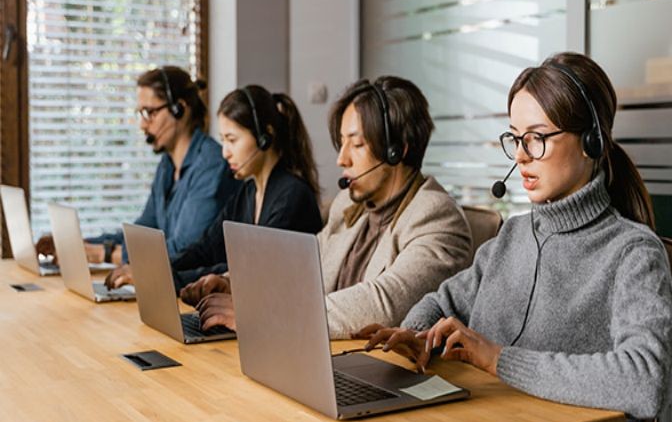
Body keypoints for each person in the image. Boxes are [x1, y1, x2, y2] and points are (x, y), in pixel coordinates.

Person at [357, 53, 672, 422]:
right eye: (515, 139)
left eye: (538, 139)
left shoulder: (633, 252)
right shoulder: (513, 235)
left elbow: (646, 380)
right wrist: (416, 334)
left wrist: (499, 359)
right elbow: (443, 301)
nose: (522, 157)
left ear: (591, 141)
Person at [186, 76, 473, 337]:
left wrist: (263, 315)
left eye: (356, 144)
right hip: (324, 355)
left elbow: (384, 304)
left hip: (389, 372)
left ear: (397, 149)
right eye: (342, 143)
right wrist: (234, 282)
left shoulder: (436, 217)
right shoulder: (351, 207)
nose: (342, 159)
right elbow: (300, 266)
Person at [37, 66, 237, 286]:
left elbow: (182, 251)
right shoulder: (167, 166)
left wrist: (101, 254)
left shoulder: (212, 166)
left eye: (150, 112)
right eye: (140, 113)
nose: (143, 124)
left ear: (180, 109)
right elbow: (142, 232)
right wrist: (78, 244)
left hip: (191, 292)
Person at [110, 85, 323, 289]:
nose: (225, 152)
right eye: (223, 141)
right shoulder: (248, 192)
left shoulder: (292, 196)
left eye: (232, 140)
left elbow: (249, 270)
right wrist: (152, 270)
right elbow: (206, 248)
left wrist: (165, 278)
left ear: (265, 137)